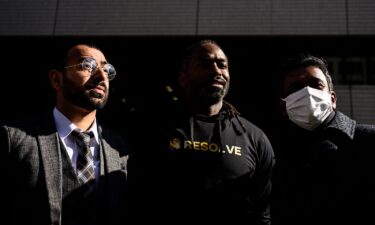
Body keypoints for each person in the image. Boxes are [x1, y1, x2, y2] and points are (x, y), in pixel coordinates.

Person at [128, 40, 274, 224]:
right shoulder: (152, 129)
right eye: (205, 64)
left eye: (222, 65)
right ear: (183, 78)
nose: (217, 71)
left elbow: (262, 213)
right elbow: (133, 201)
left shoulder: (254, 137)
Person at [1, 44, 129, 225]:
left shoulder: (119, 149)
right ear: (56, 79)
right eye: (88, 65)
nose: (101, 76)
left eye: (107, 70)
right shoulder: (13, 139)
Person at [270, 54, 375, 225]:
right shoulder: (275, 159)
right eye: (296, 88)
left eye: (316, 85)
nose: (308, 93)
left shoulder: (368, 141)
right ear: (283, 106)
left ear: (332, 99)